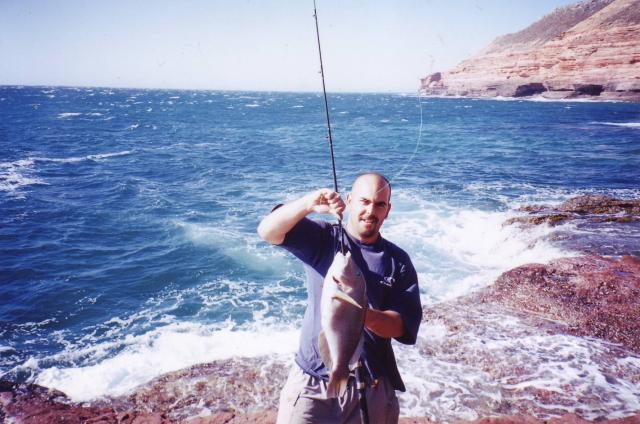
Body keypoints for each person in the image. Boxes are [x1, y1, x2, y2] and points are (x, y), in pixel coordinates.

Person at [257, 173, 422, 424]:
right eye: (364, 201)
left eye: (379, 205)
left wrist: (361, 315)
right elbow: (267, 230)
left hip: (372, 384)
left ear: (388, 210)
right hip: (313, 383)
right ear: (350, 201)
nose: (370, 211)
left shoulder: (397, 261)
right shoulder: (324, 239)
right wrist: (310, 204)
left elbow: (402, 325)